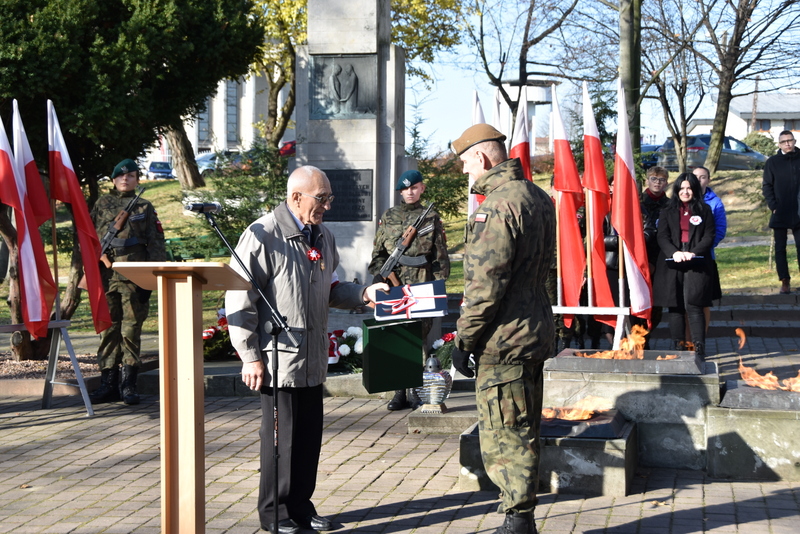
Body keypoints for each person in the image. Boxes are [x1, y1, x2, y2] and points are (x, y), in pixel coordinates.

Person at [225, 166, 388, 534]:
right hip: (279, 359)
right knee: (280, 443)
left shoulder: (323, 236)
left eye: (328, 198)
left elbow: (331, 287)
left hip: (312, 358)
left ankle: (300, 506)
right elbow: (239, 297)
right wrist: (249, 355)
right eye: (322, 198)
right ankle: (275, 514)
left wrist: (363, 294)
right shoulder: (262, 234)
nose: (327, 205)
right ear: (296, 196)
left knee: (308, 440)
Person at [449, 124, 555, 534]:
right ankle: (520, 514)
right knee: (525, 425)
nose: (464, 172)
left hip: (504, 339)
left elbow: (484, 286)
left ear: (482, 157)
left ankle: (518, 520)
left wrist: (464, 339)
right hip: (533, 331)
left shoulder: (496, 206)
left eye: (464, 163)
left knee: (505, 431)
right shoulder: (539, 198)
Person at [368, 169, 450, 411]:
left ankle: (416, 391)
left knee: (418, 336)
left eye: (414, 187)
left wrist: (439, 284)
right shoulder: (389, 216)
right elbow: (378, 254)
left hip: (421, 283)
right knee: (397, 335)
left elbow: (440, 256)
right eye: (405, 189)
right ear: (401, 192)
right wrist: (379, 278)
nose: (410, 192)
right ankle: (398, 392)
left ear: (422, 188)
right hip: (394, 284)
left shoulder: (431, 217)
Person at [89, 158, 166, 405]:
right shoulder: (101, 204)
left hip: (134, 278)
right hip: (106, 276)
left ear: (137, 179)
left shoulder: (144, 206)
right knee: (108, 330)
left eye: (131, 176)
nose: (125, 179)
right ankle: (108, 384)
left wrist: (151, 279)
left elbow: (155, 243)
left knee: (131, 330)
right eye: (121, 176)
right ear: (113, 180)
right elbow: (89, 238)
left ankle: (128, 385)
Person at [653, 173, 716, 357]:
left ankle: (698, 348)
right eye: (682, 188)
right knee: (675, 307)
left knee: (695, 304)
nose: (685, 192)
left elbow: (709, 235)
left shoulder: (705, 209)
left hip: (697, 262)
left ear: (695, 190)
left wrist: (693, 252)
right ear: (677, 190)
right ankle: (678, 349)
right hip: (672, 262)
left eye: (689, 188)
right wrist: (675, 253)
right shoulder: (667, 210)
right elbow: (662, 236)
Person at [762, 130, 800, 294]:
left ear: (795, 141)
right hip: (781, 210)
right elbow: (767, 186)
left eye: (790, 141)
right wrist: (773, 205)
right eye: (784, 141)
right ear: (779, 144)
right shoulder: (773, 162)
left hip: (799, 211)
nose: (787, 144)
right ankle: (784, 281)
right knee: (780, 248)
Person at [636, 165, 670, 348]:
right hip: (640, 258)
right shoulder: (637, 202)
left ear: (667, 182)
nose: (657, 183)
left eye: (662, 180)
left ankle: (646, 335)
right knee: (639, 300)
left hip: (661, 259)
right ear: (647, 181)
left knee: (657, 304)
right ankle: (638, 338)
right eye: (654, 179)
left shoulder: (670, 204)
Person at [693, 166, 727, 329]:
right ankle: (684, 341)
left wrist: (703, 247)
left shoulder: (715, 202)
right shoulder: (681, 198)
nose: (699, 180)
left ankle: (700, 340)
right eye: (696, 177)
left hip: (705, 257)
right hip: (682, 256)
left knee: (703, 301)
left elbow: (720, 230)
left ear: (708, 180)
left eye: (703, 177)